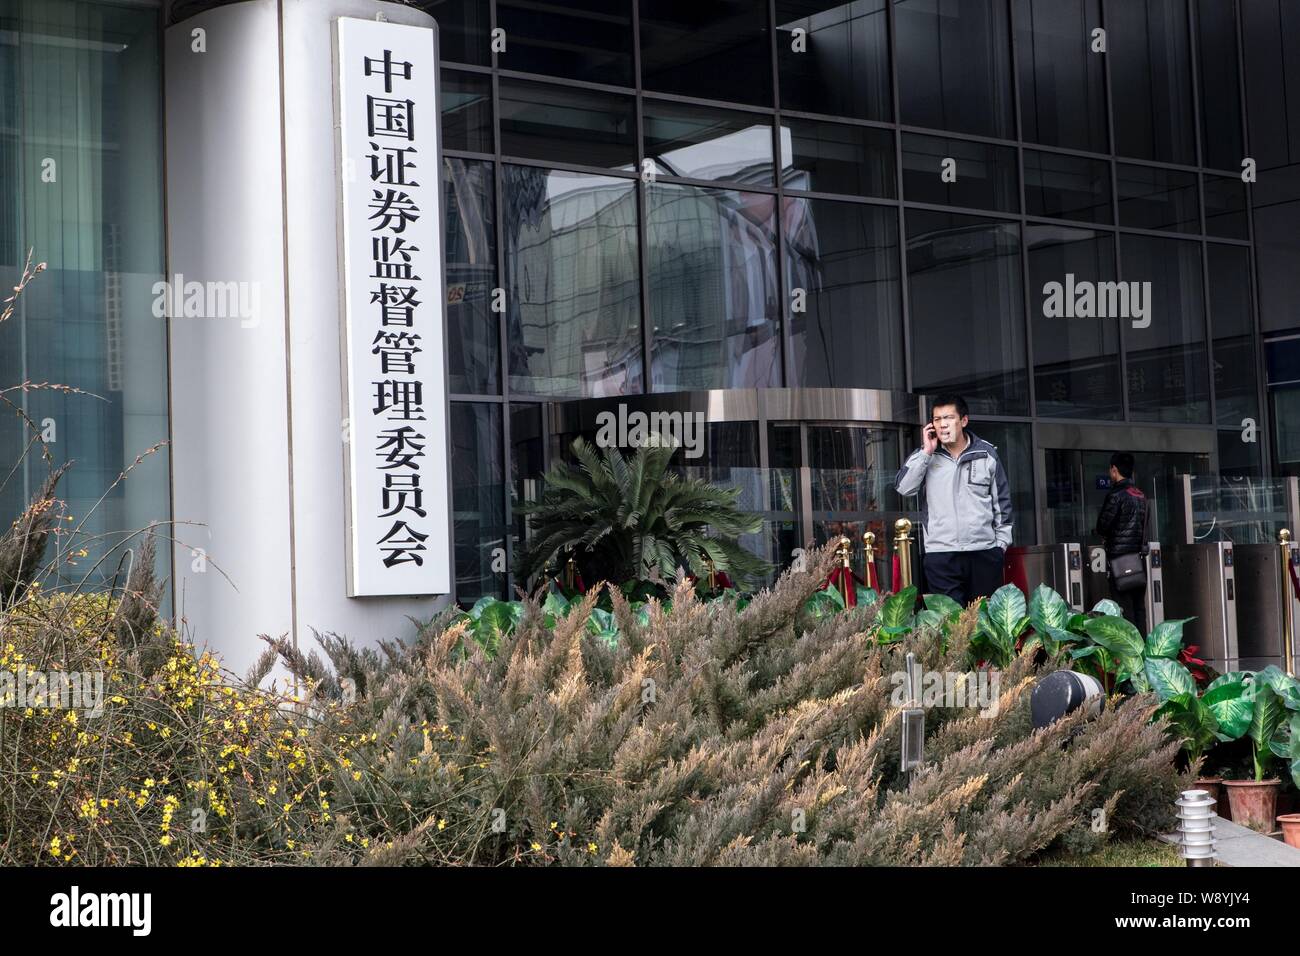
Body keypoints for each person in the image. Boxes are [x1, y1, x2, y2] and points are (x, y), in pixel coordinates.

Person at [894, 394, 1013, 608]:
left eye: (948, 417)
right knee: (950, 623)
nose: (942, 424)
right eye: (937, 419)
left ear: (963, 421)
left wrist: (1000, 546)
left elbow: (1001, 503)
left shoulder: (986, 454)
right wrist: (926, 451)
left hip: (984, 553)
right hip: (941, 555)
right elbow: (904, 488)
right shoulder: (925, 456)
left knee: (984, 621)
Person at [1094, 452, 1149, 635]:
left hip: (1120, 563)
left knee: (1124, 610)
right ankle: (1143, 651)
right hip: (1138, 561)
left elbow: (1103, 525)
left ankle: (1130, 654)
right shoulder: (1140, 495)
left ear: (1114, 470)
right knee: (1139, 608)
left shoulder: (1116, 495)